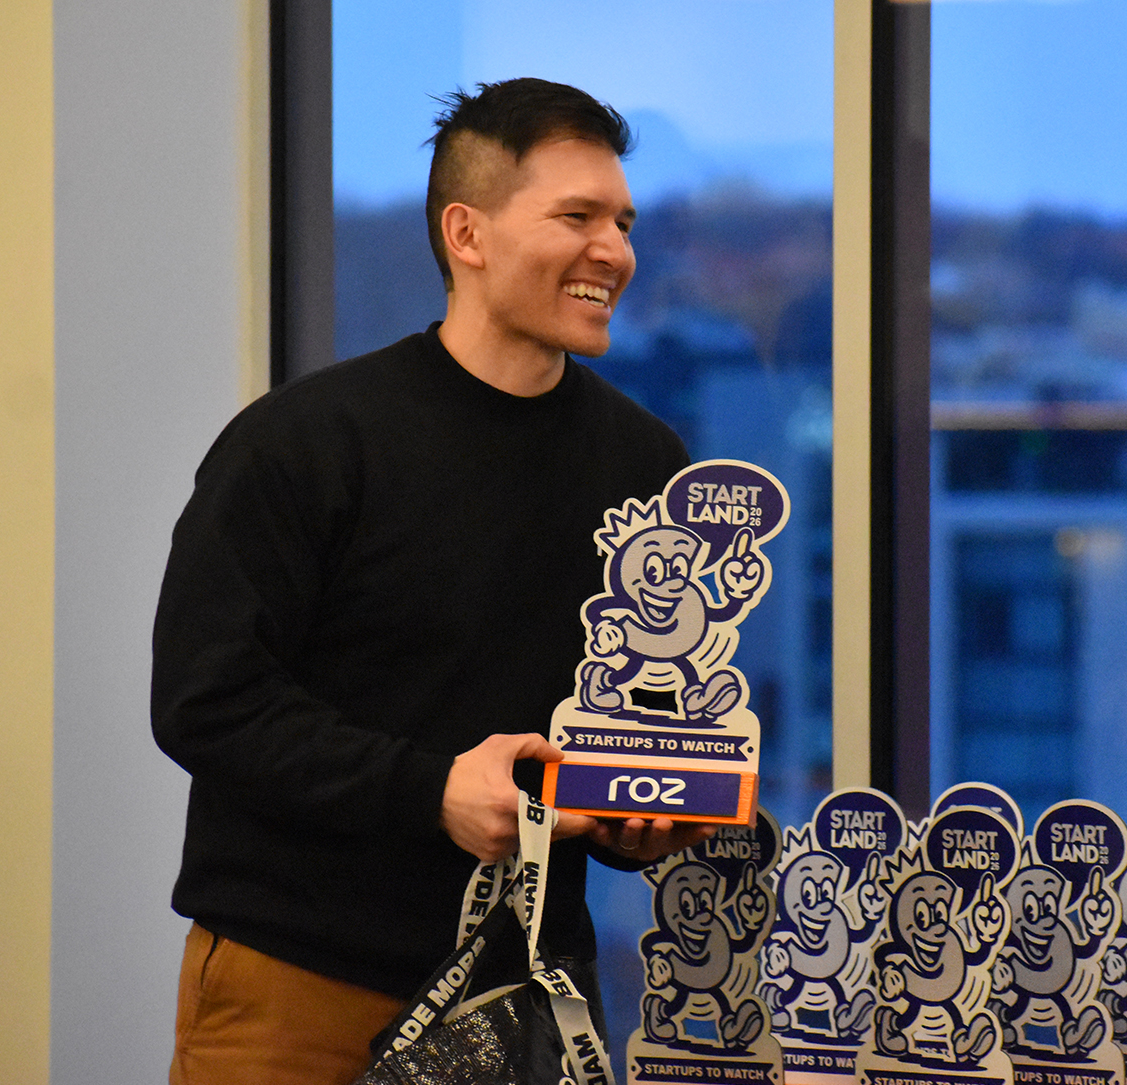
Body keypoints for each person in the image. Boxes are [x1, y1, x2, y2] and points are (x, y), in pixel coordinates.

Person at [153, 77, 715, 1085]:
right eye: (576, 217)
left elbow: (634, 716)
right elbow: (207, 701)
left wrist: (640, 816)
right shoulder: (307, 442)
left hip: (532, 987)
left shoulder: (647, 465)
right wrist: (432, 791)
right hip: (300, 984)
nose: (614, 252)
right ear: (469, 232)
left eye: (623, 222)